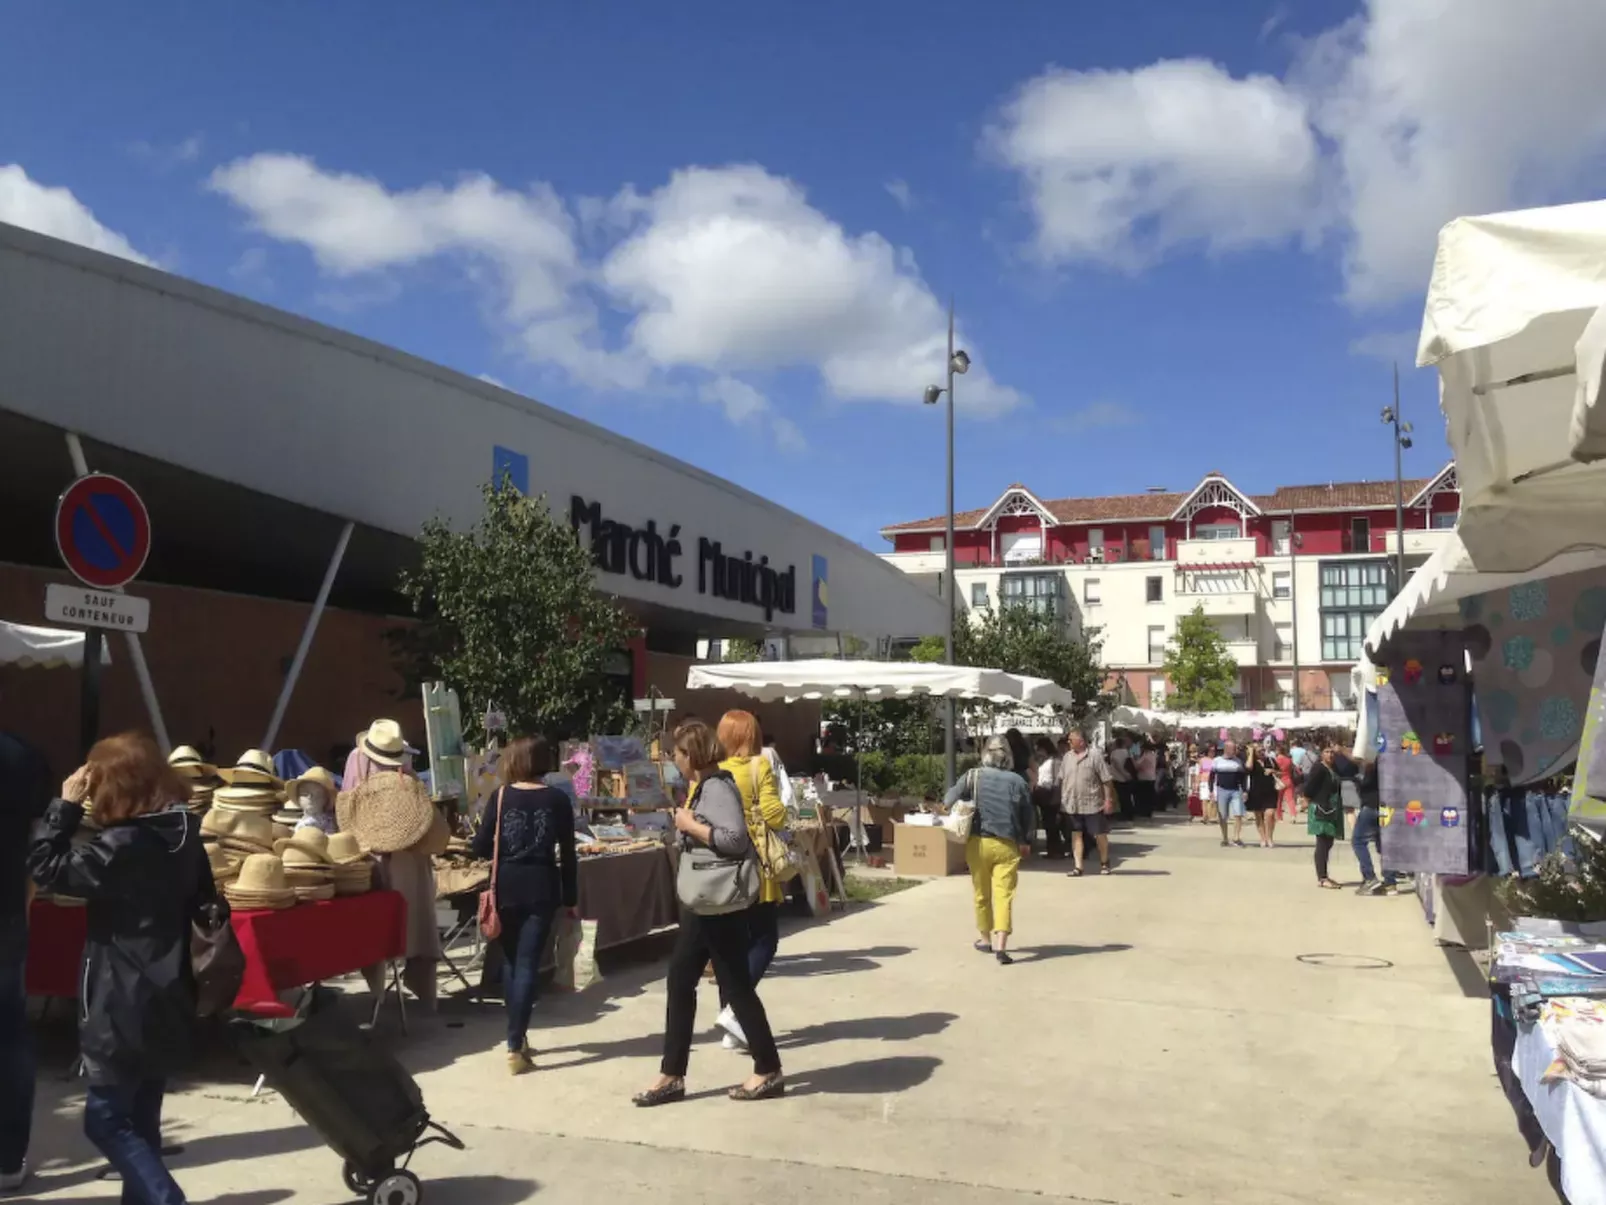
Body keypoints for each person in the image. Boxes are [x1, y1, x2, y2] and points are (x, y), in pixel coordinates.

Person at [28, 732, 215, 1205]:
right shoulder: (185, 832)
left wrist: (63, 808)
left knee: (106, 1119)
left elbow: (45, 867)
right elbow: (208, 901)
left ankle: (164, 1197)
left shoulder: (123, 844)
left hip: (119, 993)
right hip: (171, 985)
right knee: (143, 1114)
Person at [634, 720, 782, 1106]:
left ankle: (765, 1069)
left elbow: (734, 839)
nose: (675, 761)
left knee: (730, 986)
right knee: (685, 980)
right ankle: (674, 1074)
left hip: (715, 902)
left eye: (678, 754)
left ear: (692, 756)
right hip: (707, 903)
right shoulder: (708, 785)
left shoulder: (715, 788)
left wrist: (689, 826)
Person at [471, 735, 578, 1074]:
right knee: (529, 963)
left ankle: (517, 1039)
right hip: (542, 884)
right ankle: (515, 1044)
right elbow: (569, 854)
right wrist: (571, 896)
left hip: (506, 885)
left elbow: (480, 846)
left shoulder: (500, 796)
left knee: (512, 961)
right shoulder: (558, 799)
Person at [344, 720, 447, 1011]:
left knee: (391, 923)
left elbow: (350, 805)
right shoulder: (371, 761)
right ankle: (410, 992)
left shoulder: (359, 760)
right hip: (399, 855)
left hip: (392, 854)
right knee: (407, 922)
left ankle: (382, 995)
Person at [714, 710, 790, 1052]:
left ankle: (731, 1025)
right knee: (764, 939)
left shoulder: (713, 772)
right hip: (755, 864)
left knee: (729, 946)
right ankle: (735, 1013)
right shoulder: (760, 766)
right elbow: (776, 814)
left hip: (720, 867)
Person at [1, 729, 50, 1194]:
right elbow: (38, 851)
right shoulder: (23, 757)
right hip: (7, 916)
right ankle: (7, 1159)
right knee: (10, 1034)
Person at [946, 737, 1035, 965]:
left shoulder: (973, 776)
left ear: (985, 754)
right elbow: (1028, 816)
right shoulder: (1018, 781)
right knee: (1004, 895)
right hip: (1007, 844)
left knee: (981, 893)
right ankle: (1001, 946)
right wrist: (1026, 841)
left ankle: (985, 939)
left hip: (978, 842)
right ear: (1008, 757)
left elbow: (948, 799)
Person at [1060, 729, 1117, 876]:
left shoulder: (1095, 756)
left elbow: (1106, 779)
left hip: (1093, 803)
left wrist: (1108, 800)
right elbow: (1062, 779)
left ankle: (1104, 863)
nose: (1068, 742)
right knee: (1076, 834)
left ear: (1081, 741)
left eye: (1071, 739)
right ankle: (1078, 867)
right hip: (1072, 803)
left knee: (1099, 834)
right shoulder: (1067, 757)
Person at [1351, 758, 1399, 896]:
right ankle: (1390, 883)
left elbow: (1367, 783)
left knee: (1358, 841)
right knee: (1384, 845)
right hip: (1388, 806)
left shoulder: (1375, 762)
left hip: (1372, 806)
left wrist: (1358, 781)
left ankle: (1370, 878)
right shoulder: (1394, 761)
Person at [1301, 745, 1346, 889]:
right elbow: (1310, 786)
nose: (1330, 755)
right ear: (1321, 754)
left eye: (1332, 752)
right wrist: (1306, 799)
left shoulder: (1334, 769)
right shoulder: (1319, 768)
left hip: (1332, 808)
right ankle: (1322, 877)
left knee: (1329, 842)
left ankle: (1324, 875)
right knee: (1322, 841)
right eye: (1327, 752)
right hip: (1320, 807)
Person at [1031, 735, 1064, 858]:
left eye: (1038, 749)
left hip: (1049, 796)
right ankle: (1055, 849)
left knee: (1050, 825)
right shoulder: (1055, 760)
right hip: (1053, 796)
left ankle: (1054, 850)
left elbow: (1047, 781)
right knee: (1052, 825)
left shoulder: (1051, 762)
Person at [1212, 741, 1247, 847]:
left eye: (1235, 748)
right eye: (1233, 749)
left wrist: (1245, 790)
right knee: (1223, 816)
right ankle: (1225, 838)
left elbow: (1243, 777)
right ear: (1226, 749)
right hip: (1222, 789)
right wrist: (1211, 791)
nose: (1234, 751)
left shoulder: (1238, 761)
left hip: (1236, 790)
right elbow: (1211, 777)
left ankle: (1236, 837)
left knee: (1238, 814)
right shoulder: (1216, 761)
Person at [1245, 743, 1279, 847]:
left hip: (1270, 791)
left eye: (1263, 750)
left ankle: (1269, 837)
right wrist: (1251, 753)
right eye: (1259, 751)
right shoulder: (1252, 762)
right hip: (1256, 791)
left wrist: (1272, 770)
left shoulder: (1271, 760)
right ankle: (1263, 838)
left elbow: (1280, 772)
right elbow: (1248, 767)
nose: (1262, 752)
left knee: (1270, 814)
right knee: (1259, 816)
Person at [1108, 734, 1135, 821]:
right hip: (1127, 777)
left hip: (1116, 777)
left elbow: (1115, 764)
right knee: (1127, 796)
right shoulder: (1127, 752)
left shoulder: (1114, 753)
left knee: (1119, 797)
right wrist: (1127, 774)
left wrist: (1122, 773)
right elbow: (1131, 763)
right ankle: (1129, 813)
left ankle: (1122, 814)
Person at [1132, 738, 1159, 820]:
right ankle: (1148, 811)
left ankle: (1143, 811)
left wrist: (1133, 759)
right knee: (1149, 795)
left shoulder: (1145, 756)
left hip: (1144, 777)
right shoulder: (1153, 755)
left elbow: (1137, 765)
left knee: (1142, 796)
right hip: (1152, 776)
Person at [1274, 742, 1300, 822]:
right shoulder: (1289, 760)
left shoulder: (1277, 759)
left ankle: (1279, 817)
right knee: (1290, 799)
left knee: (1278, 800)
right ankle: (1293, 815)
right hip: (1288, 780)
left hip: (1279, 781)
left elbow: (1274, 770)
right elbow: (1297, 770)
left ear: (1278, 750)